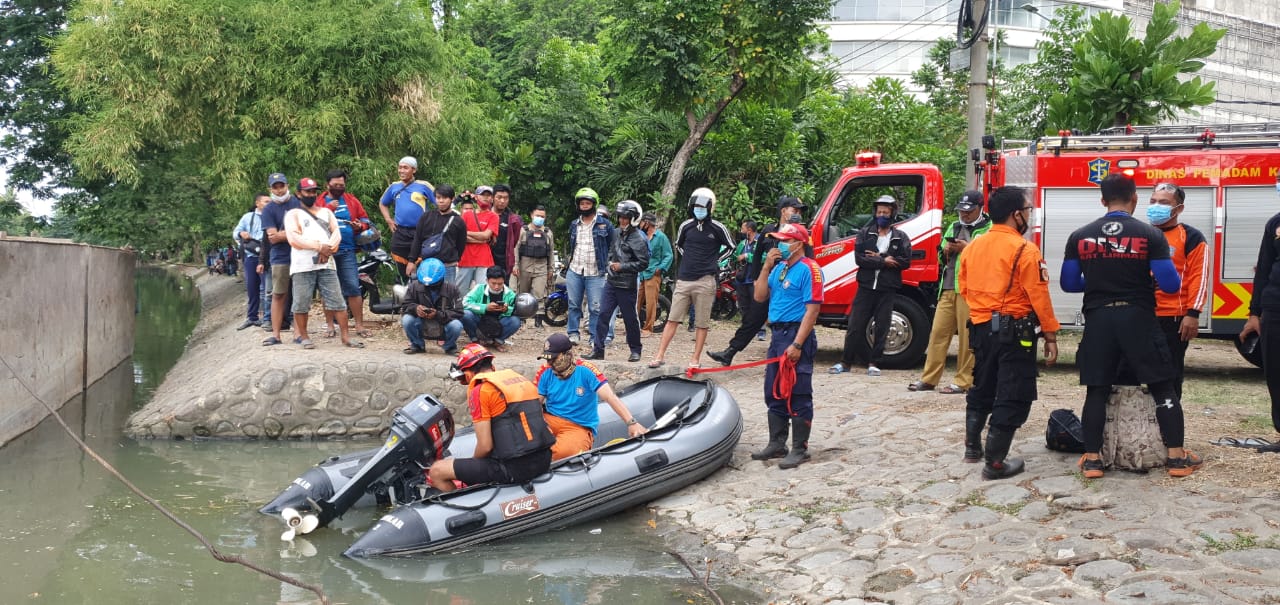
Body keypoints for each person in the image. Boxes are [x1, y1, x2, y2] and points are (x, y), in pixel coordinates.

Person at [1061, 173, 1200, 479]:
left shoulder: (1080, 236)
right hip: (1138, 318)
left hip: (1099, 319)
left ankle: (1093, 459)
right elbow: (1170, 282)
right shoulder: (1150, 236)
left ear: (1103, 200)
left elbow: (1069, 283)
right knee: (1163, 384)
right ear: (1135, 199)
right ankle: (1177, 458)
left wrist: (1099, 280)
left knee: (1097, 389)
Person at [957, 186, 1059, 479]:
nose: (1029, 215)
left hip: (980, 328)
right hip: (1015, 331)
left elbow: (963, 287)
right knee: (1013, 393)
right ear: (1016, 215)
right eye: (1027, 210)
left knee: (983, 385)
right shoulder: (1025, 250)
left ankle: (972, 448)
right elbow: (1038, 295)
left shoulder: (973, 246)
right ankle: (996, 463)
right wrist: (1050, 335)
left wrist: (983, 311)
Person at [427, 344, 554, 493]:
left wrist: (471, 469)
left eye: (463, 379)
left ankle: (464, 509)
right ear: (491, 366)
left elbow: (485, 446)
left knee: (436, 471)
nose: (465, 382)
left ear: (468, 373)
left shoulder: (480, 390)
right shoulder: (520, 380)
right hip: (544, 459)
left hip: (515, 467)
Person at [749, 223, 823, 469]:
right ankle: (776, 443)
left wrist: (798, 343)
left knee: (798, 391)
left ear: (798, 244)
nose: (779, 245)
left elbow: (812, 311)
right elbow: (759, 296)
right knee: (774, 389)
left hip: (796, 333)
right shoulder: (779, 268)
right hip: (777, 335)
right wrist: (766, 266)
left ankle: (800, 448)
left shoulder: (809, 269)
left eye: (784, 240)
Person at [908, 190, 992, 394]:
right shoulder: (954, 226)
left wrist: (967, 248)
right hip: (948, 287)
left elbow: (989, 258)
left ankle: (963, 381)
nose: (965, 215)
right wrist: (945, 251)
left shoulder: (989, 229)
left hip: (971, 291)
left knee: (966, 338)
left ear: (980, 208)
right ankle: (928, 379)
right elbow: (940, 257)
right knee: (937, 333)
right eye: (962, 211)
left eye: (969, 211)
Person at [708, 195, 806, 366]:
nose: (798, 213)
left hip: (791, 286)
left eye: (799, 211)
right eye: (794, 209)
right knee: (752, 318)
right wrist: (755, 278)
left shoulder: (802, 233)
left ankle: (790, 355)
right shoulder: (769, 230)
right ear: (783, 211)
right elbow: (758, 254)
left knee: (789, 321)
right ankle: (730, 352)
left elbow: (809, 258)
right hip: (769, 282)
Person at [648, 187, 735, 370]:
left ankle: (695, 359)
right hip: (684, 279)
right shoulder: (685, 226)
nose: (699, 210)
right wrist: (690, 258)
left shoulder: (718, 228)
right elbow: (678, 245)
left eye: (703, 207)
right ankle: (659, 355)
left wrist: (715, 261)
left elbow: (731, 247)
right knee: (673, 319)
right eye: (696, 207)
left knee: (702, 322)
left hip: (705, 280)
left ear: (710, 208)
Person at [830, 195, 912, 376]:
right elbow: (860, 259)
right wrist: (884, 260)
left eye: (886, 212)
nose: (882, 215)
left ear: (893, 213)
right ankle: (845, 362)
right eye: (879, 211)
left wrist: (876, 258)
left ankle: (875, 363)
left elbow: (906, 262)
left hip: (887, 288)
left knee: (882, 326)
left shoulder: (900, 237)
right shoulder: (865, 233)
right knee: (855, 326)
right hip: (866, 287)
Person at [535, 333, 647, 461]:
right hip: (550, 419)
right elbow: (535, 404)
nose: (549, 364)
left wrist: (632, 423)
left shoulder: (586, 371)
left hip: (577, 426)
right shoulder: (545, 372)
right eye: (547, 359)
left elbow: (610, 397)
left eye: (553, 359)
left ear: (567, 354)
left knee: (561, 453)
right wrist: (540, 425)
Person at [284, 178, 363, 349]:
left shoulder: (326, 213)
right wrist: (320, 247)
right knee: (301, 302)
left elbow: (337, 233)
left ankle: (346, 337)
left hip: (327, 263)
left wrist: (329, 249)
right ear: (299, 194)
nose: (311, 194)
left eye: (313, 191)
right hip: (302, 265)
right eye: (307, 191)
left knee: (337, 300)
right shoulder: (293, 215)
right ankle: (304, 337)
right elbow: (294, 238)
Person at [1147, 182, 1208, 400]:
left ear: (1179, 208)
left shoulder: (1191, 237)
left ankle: (1169, 424)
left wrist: (1193, 314)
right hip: (1140, 315)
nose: (1156, 206)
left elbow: (1198, 277)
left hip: (1173, 318)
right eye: (1153, 201)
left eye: (1164, 203)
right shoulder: (1140, 233)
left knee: (1169, 376)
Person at [1239, 179, 1280, 452]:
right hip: (1274, 308)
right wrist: (1255, 314)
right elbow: (1263, 268)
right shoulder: (1275, 223)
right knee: (1275, 371)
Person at [589, 200, 650, 362]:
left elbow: (643, 263)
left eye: (625, 217)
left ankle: (635, 350)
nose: (622, 220)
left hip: (627, 285)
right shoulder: (616, 233)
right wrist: (609, 265)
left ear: (633, 218)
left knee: (630, 319)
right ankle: (598, 349)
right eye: (620, 217)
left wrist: (622, 266)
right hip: (611, 282)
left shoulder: (639, 238)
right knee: (603, 314)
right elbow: (611, 252)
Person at [321, 169, 374, 339]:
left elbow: (365, 220)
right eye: (335, 185)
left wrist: (360, 226)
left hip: (347, 250)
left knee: (353, 287)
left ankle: (359, 326)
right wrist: (329, 208)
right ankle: (330, 326)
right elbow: (312, 221)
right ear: (327, 185)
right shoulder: (319, 201)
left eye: (341, 185)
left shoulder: (351, 200)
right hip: (326, 251)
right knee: (327, 289)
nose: (338, 188)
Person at [564, 187, 614, 345]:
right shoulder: (574, 224)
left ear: (594, 204)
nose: (584, 206)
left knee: (595, 307)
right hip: (575, 269)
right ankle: (573, 333)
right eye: (582, 203)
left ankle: (594, 337)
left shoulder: (605, 225)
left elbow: (612, 245)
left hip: (596, 272)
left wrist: (608, 264)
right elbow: (572, 245)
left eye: (587, 203)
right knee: (573, 304)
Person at [259, 172, 300, 345]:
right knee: (278, 295)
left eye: (281, 185)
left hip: (300, 255)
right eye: (275, 187)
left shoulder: (297, 203)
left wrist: (283, 234)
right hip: (279, 257)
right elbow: (272, 237)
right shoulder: (268, 209)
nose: (279, 189)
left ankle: (299, 333)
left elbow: (305, 229)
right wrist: (293, 234)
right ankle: (276, 335)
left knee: (300, 295)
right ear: (270, 189)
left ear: (287, 185)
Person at [378, 156, 436, 277]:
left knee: (421, 265)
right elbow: (383, 203)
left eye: (405, 168)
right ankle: (404, 289)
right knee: (401, 266)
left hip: (420, 232)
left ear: (414, 170)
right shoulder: (394, 187)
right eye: (400, 168)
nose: (401, 171)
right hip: (400, 232)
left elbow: (440, 202)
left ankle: (421, 289)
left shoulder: (423, 186)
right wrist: (388, 220)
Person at [400, 258, 465, 355]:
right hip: (421, 321)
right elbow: (405, 305)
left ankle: (449, 347)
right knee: (407, 319)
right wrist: (416, 308)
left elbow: (459, 312)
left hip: (443, 323)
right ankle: (417, 345)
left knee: (456, 325)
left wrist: (437, 314)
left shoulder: (452, 289)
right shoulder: (414, 286)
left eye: (433, 284)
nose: (429, 286)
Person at [406, 184, 468, 287]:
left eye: (445, 198)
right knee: (425, 298)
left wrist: (453, 258)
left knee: (447, 298)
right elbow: (417, 239)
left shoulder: (458, 221)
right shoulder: (426, 217)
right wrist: (411, 261)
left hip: (448, 266)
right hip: (426, 265)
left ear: (452, 199)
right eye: (438, 198)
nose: (441, 201)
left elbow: (461, 245)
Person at [513, 205, 555, 328]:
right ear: (532, 215)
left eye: (542, 216)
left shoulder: (548, 233)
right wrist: (515, 265)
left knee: (539, 294)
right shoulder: (523, 230)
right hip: (525, 265)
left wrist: (550, 269)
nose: (539, 218)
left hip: (541, 266)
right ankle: (521, 318)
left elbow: (551, 252)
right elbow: (516, 248)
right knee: (522, 293)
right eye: (537, 215)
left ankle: (539, 320)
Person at [462, 266, 521, 351]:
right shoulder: (479, 288)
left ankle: (498, 341)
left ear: (504, 281)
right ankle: (476, 340)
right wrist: (485, 307)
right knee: (466, 314)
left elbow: (516, 310)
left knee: (515, 321)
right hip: (480, 321)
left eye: (500, 284)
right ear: (487, 281)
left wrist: (507, 309)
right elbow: (465, 303)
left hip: (499, 323)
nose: (496, 287)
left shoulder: (510, 294)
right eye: (493, 283)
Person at [233, 194, 268, 330]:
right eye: (266, 201)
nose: (268, 204)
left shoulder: (271, 215)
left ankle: (267, 317)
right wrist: (241, 234)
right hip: (251, 256)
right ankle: (252, 317)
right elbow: (236, 232)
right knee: (252, 287)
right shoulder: (248, 217)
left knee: (267, 288)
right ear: (257, 203)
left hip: (267, 256)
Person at [637, 212, 673, 337]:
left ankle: (648, 328)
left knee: (651, 302)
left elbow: (668, 255)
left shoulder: (660, 237)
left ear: (647, 223)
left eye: (641, 222)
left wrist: (661, 268)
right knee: (636, 300)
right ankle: (634, 326)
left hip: (653, 273)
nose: (640, 224)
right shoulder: (640, 236)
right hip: (639, 272)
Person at [455, 193, 498, 292]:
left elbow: (486, 236)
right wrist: (481, 239)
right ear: (477, 197)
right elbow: (460, 236)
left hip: (484, 260)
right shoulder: (466, 215)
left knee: (482, 292)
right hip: (466, 259)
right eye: (483, 195)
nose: (486, 197)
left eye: (488, 195)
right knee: (460, 292)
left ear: (491, 199)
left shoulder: (493, 216)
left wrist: (467, 233)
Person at [490, 184, 524, 281]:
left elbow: (517, 241)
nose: (502, 201)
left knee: (503, 290)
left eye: (505, 198)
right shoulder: (485, 215)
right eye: (499, 197)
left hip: (505, 262)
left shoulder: (514, 220)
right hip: (486, 260)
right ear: (492, 198)